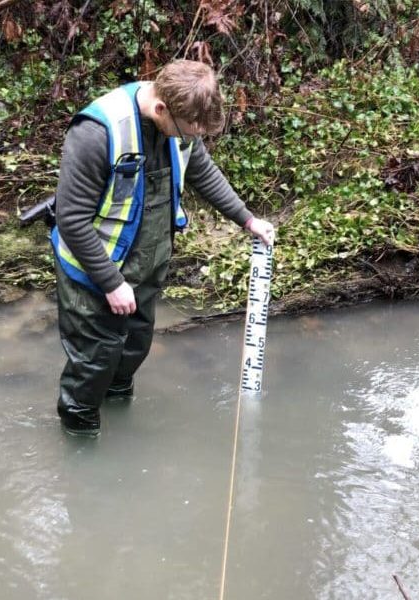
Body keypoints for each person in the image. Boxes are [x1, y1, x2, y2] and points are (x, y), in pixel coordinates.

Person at [52, 59, 275, 436]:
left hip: (144, 269)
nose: (190, 139)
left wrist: (247, 219)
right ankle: (81, 440)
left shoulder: (182, 116)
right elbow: (71, 219)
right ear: (160, 110)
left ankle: (120, 418)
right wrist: (110, 282)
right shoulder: (96, 133)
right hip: (91, 276)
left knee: (132, 350)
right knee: (93, 364)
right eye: (187, 133)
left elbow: (202, 170)